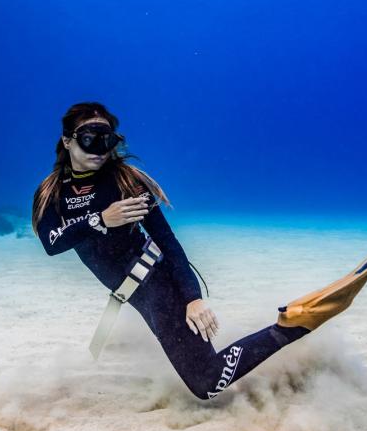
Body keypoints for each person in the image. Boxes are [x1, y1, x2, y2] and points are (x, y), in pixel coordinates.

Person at [31, 102, 313, 400]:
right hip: (136, 294)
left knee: (207, 382)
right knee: (204, 374)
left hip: (159, 283)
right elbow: (52, 244)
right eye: (90, 138)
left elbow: (168, 242)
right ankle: (291, 326)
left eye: (108, 140)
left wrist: (192, 298)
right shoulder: (51, 193)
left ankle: (292, 326)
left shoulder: (126, 183)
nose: (100, 148)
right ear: (67, 140)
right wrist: (101, 220)